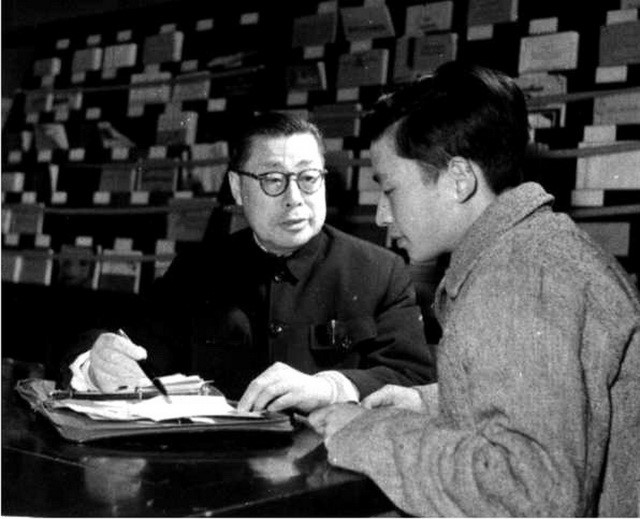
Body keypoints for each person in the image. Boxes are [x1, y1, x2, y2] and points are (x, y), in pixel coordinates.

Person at [308, 61, 640, 516]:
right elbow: (560, 401)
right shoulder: (535, 251)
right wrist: (427, 403)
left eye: (390, 189)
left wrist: (364, 433)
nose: (383, 215)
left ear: (459, 179)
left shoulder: (519, 276)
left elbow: (529, 495)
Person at [63, 112, 436, 413]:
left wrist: (331, 388)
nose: (295, 198)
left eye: (309, 178)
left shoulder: (378, 271)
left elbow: (414, 378)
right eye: (273, 180)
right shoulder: (196, 270)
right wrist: (94, 362)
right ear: (238, 188)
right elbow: (122, 344)